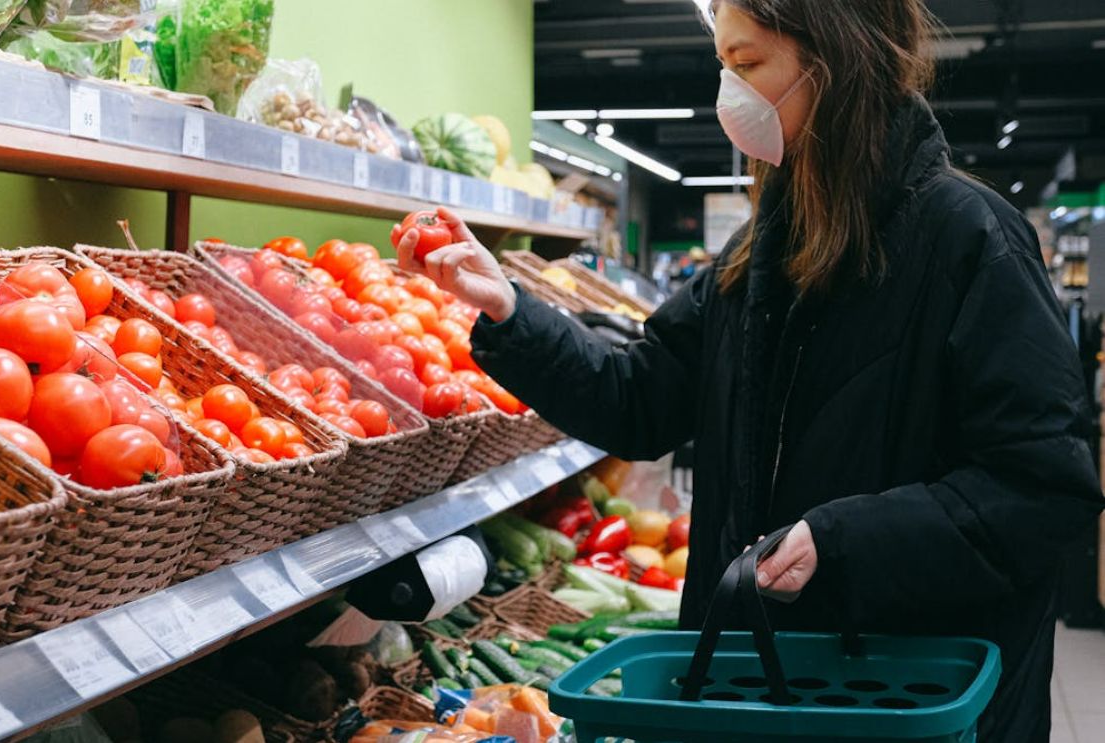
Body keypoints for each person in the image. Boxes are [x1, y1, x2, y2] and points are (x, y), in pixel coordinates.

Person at [395, 1, 1103, 740]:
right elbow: (639, 399)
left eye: (747, 64)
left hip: (905, 697)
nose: (726, 93)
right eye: (721, 64)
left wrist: (845, 539)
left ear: (835, 63)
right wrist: (509, 310)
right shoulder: (761, 253)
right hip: (764, 683)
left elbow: (1040, 487)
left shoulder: (969, 241)